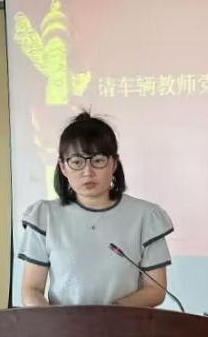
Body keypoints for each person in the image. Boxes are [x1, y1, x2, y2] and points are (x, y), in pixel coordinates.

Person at [18, 111, 174, 307]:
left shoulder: (146, 217)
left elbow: (155, 290)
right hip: (62, 325)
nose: (88, 172)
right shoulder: (44, 217)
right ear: (63, 167)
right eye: (77, 162)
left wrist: (109, 314)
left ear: (114, 164)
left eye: (98, 160)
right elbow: (31, 290)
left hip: (124, 324)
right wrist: (54, 321)